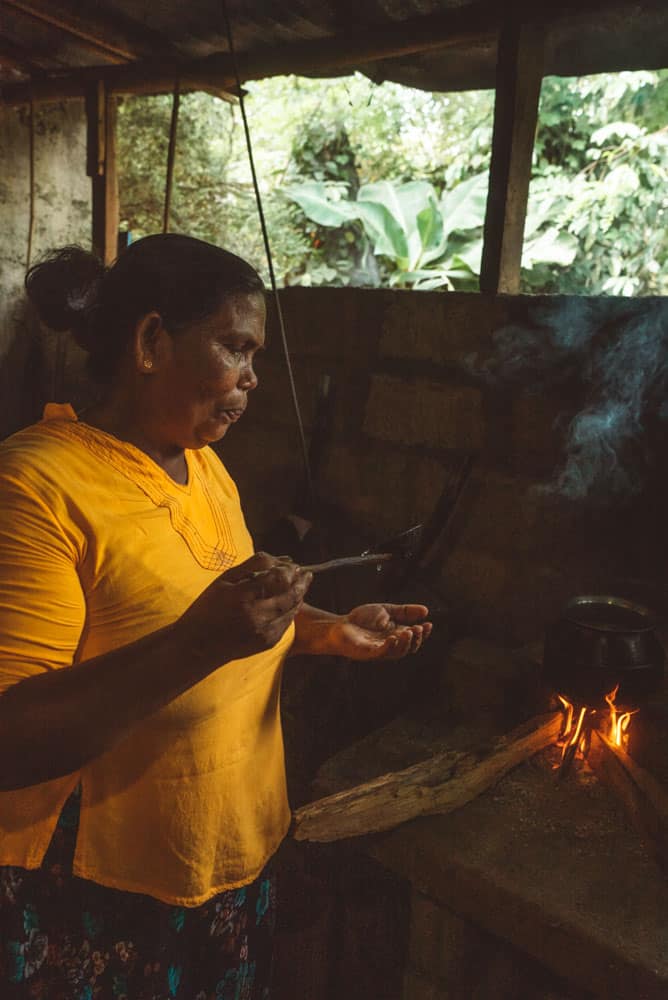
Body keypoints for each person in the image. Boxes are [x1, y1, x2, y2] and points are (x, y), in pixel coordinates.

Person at [0, 234, 431, 1000]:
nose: (252, 379)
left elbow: (229, 616)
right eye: (235, 348)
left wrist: (326, 628)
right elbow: (12, 736)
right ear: (151, 341)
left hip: (227, 858)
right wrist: (201, 642)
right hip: (103, 890)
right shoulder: (35, 487)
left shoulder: (202, 466)